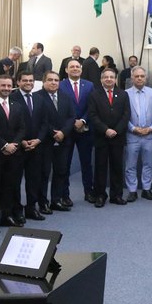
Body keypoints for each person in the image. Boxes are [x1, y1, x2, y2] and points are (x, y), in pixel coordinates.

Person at [0, 74, 25, 233]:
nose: (7, 88)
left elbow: (22, 127)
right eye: (3, 85)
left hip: (14, 152)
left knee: (10, 185)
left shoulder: (16, 105)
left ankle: (6, 216)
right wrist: (3, 144)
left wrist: (14, 144)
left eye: (9, 86)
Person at [88, 67, 131, 207]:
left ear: (115, 79)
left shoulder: (123, 94)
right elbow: (92, 116)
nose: (109, 79)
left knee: (117, 167)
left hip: (117, 137)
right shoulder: (94, 95)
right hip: (101, 137)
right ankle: (100, 195)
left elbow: (126, 115)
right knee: (100, 167)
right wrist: (106, 130)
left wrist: (116, 130)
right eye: (106, 77)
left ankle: (116, 195)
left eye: (111, 77)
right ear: (101, 79)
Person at [10, 71, 50, 222]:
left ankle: (31, 208)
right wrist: (21, 141)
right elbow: (11, 124)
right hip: (18, 146)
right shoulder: (12, 98)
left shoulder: (39, 99)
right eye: (25, 80)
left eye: (31, 81)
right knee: (15, 180)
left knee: (34, 179)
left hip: (36, 146)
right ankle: (17, 209)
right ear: (18, 82)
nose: (28, 83)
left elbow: (45, 122)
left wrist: (38, 140)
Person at [37, 70, 75, 213]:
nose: (53, 82)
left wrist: (63, 132)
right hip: (46, 141)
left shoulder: (66, 97)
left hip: (64, 140)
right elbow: (40, 120)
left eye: (56, 80)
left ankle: (56, 200)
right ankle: (42, 203)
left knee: (61, 171)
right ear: (44, 81)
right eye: (50, 80)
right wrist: (54, 133)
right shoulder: (37, 97)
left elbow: (72, 117)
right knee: (44, 173)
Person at [59, 59, 95, 203]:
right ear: (66, 70)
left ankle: (88, 192)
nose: (75, 69)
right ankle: (65, 195)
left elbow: (92, 106)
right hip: (67, 130)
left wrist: (83, 120)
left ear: (81, 69)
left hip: (85, 129)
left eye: (77, 67)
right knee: (65, 164)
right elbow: (60, 107)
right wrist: (72, 121)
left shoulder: (90, 85)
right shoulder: (60, 85)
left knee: (86, 163)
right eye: (71, 67)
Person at [124, 66, 152, 201]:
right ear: (132, 78)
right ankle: (132, 191)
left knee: (148, 164)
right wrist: (133, 128)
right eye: (136, 76)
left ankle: (146, 189)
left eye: (142, 76)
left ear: (146, 78)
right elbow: (123, 115)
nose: (139, 78)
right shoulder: (125, 94)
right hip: (132, 135)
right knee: (130, 165)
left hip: (149, 135)